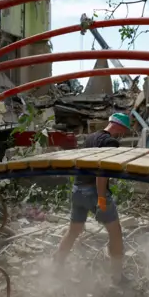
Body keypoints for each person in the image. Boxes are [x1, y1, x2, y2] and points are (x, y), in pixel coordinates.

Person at [54, 113, 131, 283]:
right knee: (115, 232)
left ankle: (57, 266)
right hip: (94, 192)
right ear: (118, 127)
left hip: (77, 190)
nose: (122, 134)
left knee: (73, 231)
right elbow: (101, 171)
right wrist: (101, 197)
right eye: (123, 130)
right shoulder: (111, 142)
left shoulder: (90, 137)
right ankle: (117, 277)